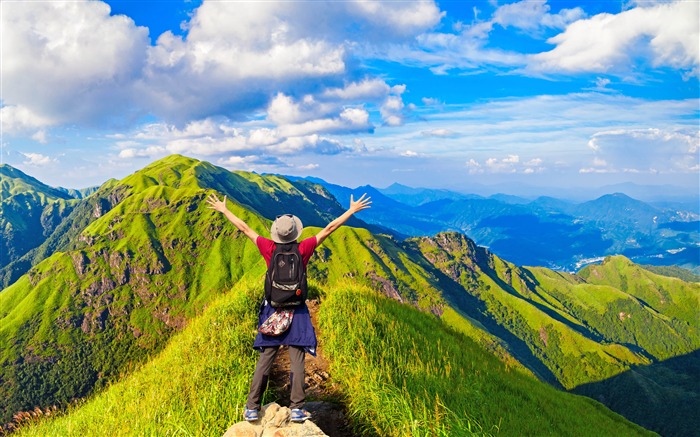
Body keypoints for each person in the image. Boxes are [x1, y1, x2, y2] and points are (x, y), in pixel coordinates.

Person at [206, 192, 371, 423]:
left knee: (266, 359)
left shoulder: (268, 248)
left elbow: (244, 228)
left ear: (276, 234)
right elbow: (329, 229)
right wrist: (351, 211)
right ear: (295, 233)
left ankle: (252, 407)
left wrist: (224, 210)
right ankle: (296, 409)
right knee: (297, 360)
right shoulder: (303, 249)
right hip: (298, 310)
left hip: (273, 309)